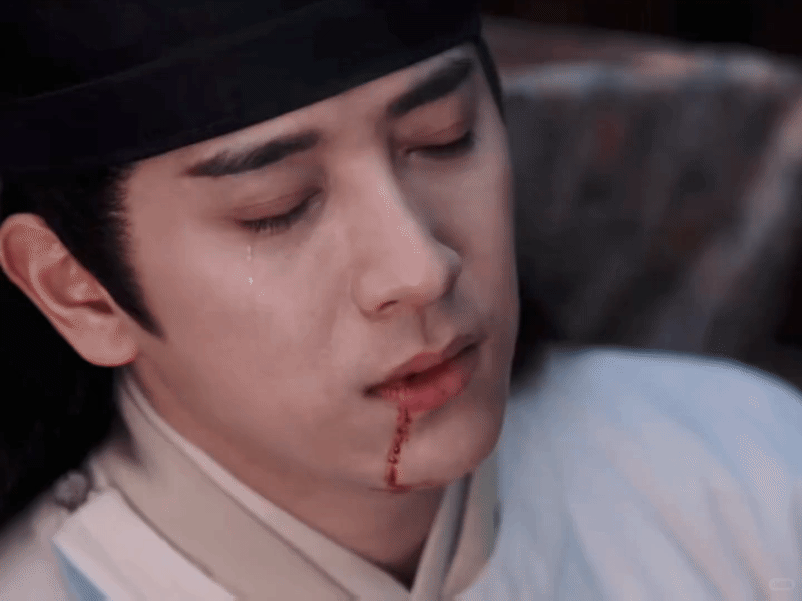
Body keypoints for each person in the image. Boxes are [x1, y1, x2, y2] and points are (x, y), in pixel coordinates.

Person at [0, 1, 799, 599]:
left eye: (442, 137)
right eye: (277, 207)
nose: (420, 267)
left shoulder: (744, 469)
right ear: (79, 291)